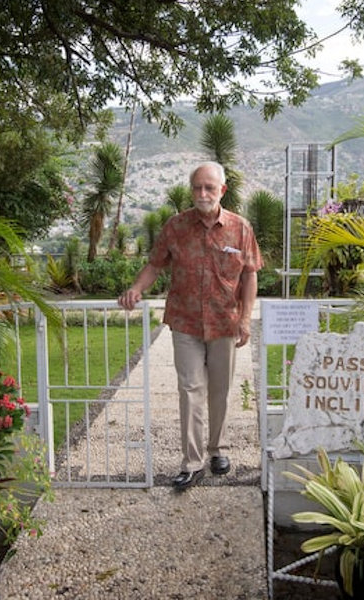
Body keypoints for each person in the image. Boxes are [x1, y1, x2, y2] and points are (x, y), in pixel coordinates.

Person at [118, 161, 262, 491]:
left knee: (220, 389)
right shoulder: (176, 226)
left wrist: (245, 318)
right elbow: (155, 264)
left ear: (222, 190)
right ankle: (192, 461)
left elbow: (251, 273)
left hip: (224, 322)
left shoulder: (240, 228)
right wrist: (136, 289)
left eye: (209, 187)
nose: (202, 193)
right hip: (184, 321)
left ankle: (218, 450)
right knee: (190, 389)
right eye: (197, 187)